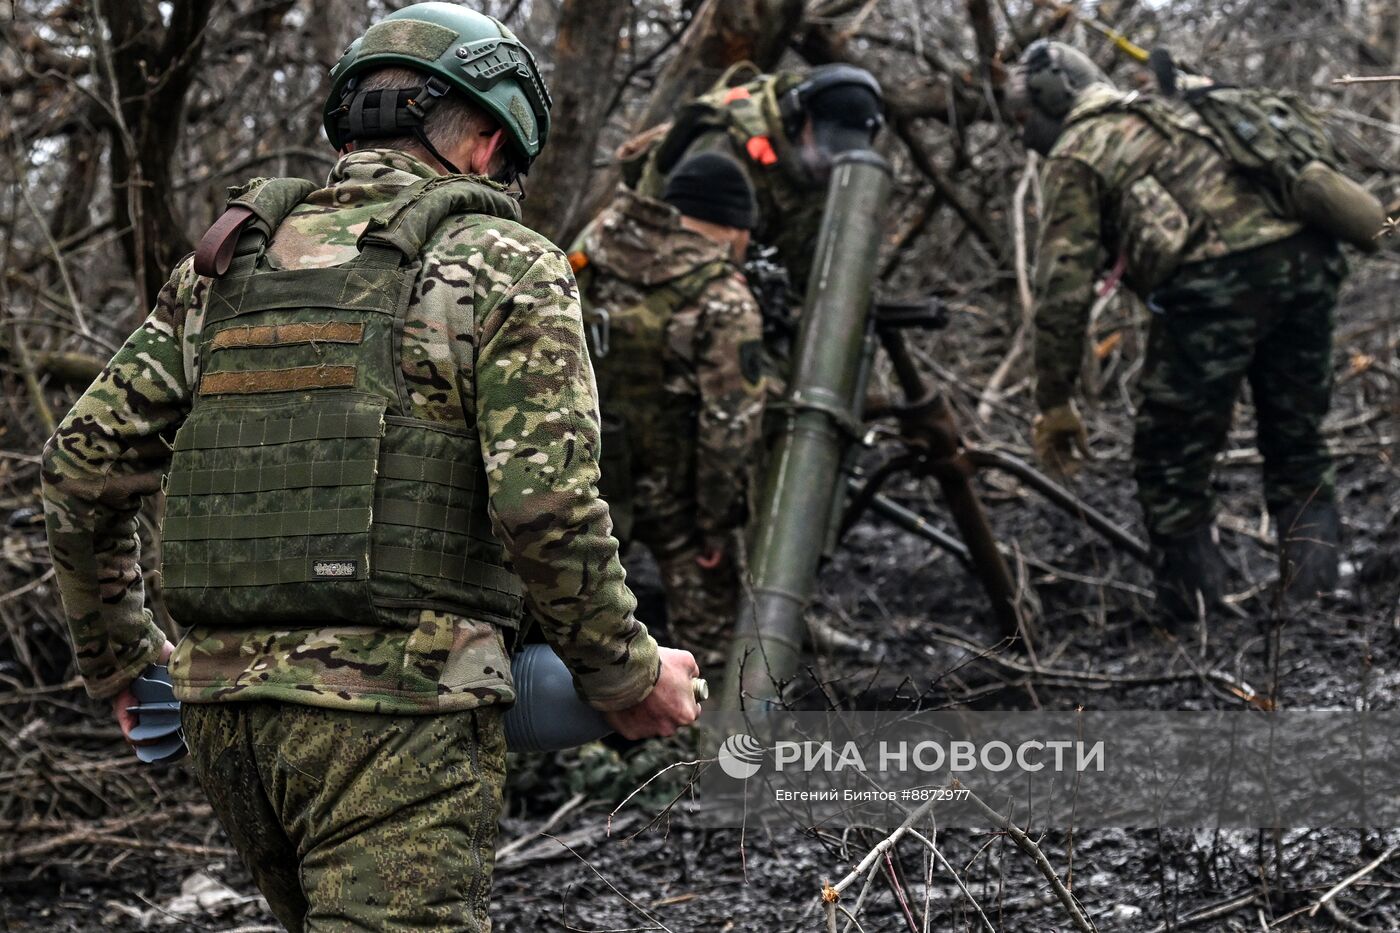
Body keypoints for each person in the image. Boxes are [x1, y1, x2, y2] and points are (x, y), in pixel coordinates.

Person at [40, 4, 700, 930]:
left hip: (226, 719)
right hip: (398, 722)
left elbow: (79, 462)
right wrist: (628, 676)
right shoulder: (503, 263)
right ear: (483, 139)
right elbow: (545, 506)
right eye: (510, 158)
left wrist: (118, 656)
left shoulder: (228, 266)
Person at [1009, 40, 1348, 621]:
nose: (1024, 132)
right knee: (1297, 442)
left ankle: (1193, 617)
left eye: (1024, 114)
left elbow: (1062, 289)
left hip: (1215, 284)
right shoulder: (1173, 109)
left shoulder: (1080, 149)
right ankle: (1317, 600)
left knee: (1169, 461)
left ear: (1052, 95)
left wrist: (1055, 399)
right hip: (1307, 261)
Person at [572, 153, 766, 665]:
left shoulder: (595, 242)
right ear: (732, 226)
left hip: (579, 473)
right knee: (713, 644)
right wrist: (717, 527)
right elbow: (728, 431)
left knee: (566, 622)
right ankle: (698, 738)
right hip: (674, 498)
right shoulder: (723, 297)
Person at [626, 63, 884, 292]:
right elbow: (685, 258)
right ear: (798, 119)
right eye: (828, 147)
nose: (830, 163)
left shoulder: (830, 171)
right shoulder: (724, 149)